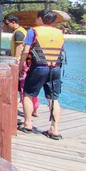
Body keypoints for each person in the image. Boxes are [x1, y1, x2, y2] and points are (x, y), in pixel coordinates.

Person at [18, 10, 65, 139]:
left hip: (38, 67)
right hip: (55, 68)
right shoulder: (59, 33)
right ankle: (54, 129)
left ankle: (27, 123)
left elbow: (26, 50)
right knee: (53, 99)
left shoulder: (34, 31)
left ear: (40, 18)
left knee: (28, 94)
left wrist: (21, 65)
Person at [4, 14, 39, 116]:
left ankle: (28, 110)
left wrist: (15, 60)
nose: (6, 26)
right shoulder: (23, 31)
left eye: (7, 23)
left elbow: (19, 47)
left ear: (13, 22)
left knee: (23, 86)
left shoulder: (19, 32)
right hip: (24, 62)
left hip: (20, 62)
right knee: (28, 86)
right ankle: (34, 108)